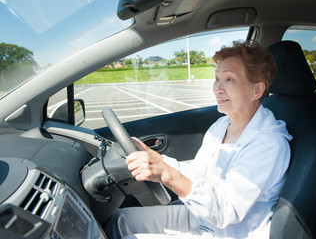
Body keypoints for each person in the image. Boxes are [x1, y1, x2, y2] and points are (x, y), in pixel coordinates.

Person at [105, 40, 292, 238]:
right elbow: (198, 174)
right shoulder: (221, 126)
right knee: (119, 220)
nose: (218, 88)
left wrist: (166, 174)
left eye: (229, 79)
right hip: (199, 216)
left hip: (229, 233)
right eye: (217, 78)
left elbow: (225, 211)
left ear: (256, 90)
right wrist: (159, 160)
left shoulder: (268, 144)